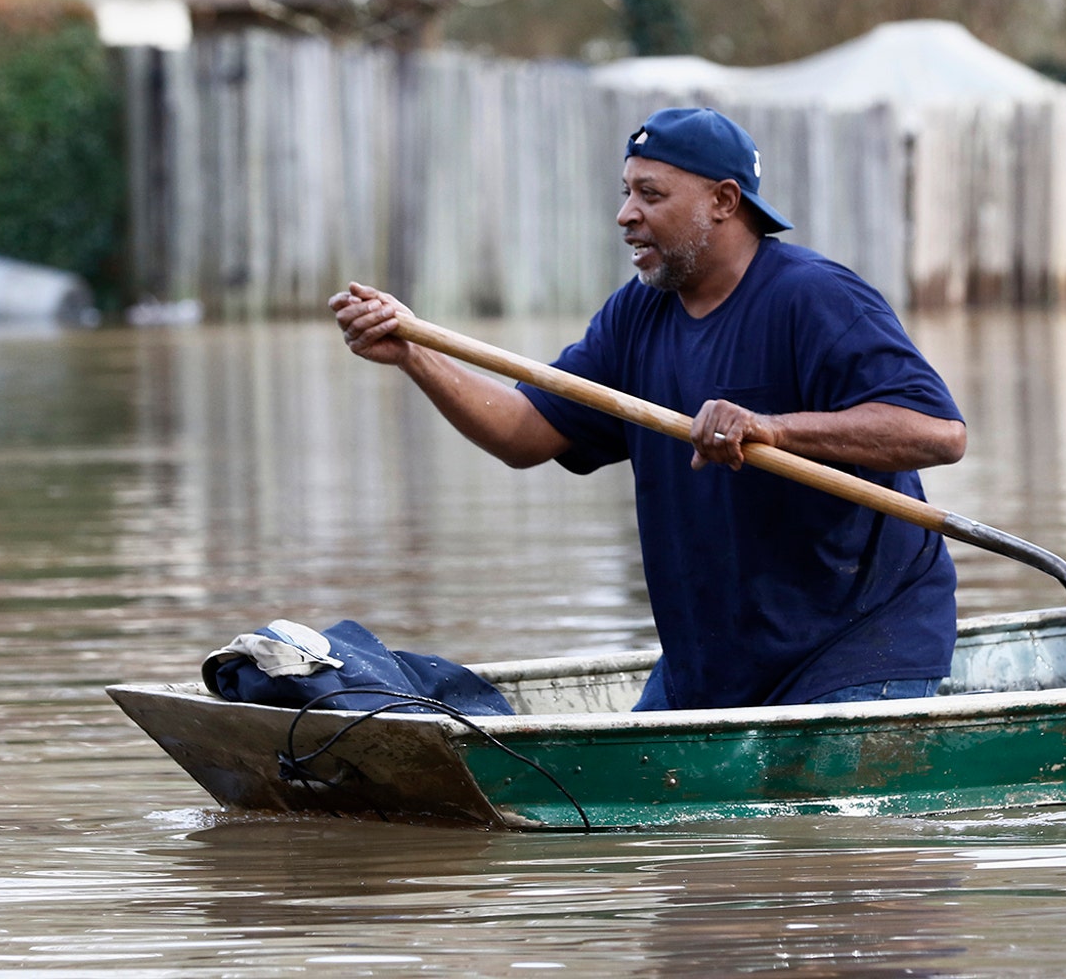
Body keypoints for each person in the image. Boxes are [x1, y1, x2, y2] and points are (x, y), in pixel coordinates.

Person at [330, 107, 967, 710]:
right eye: (626, 192)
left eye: (651, 195)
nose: (624, 215)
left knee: (817, 828)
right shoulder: (636, 315)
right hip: (714, 660)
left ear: (723, 201)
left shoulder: (813, 296)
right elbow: (525, 435)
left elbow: (939, 433)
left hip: (852, 651)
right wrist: (415, 352)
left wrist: (772, 428)